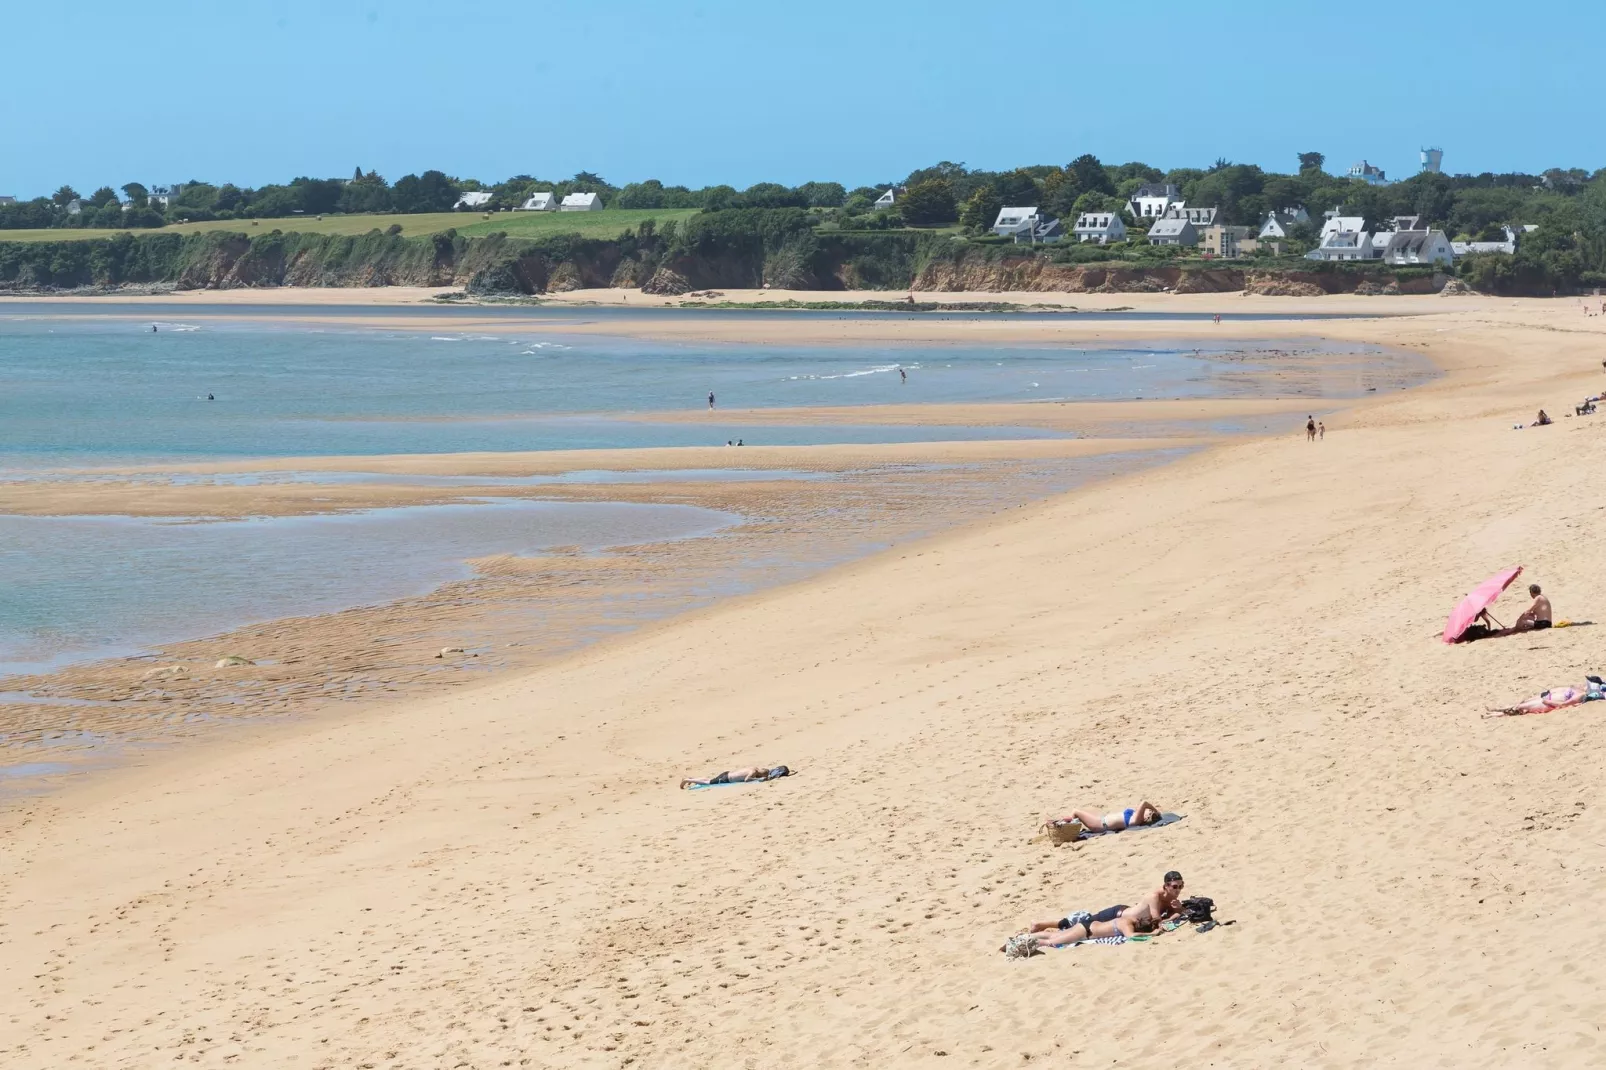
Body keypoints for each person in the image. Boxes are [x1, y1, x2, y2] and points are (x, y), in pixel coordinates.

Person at [1054, 801, 1161, 834]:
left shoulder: (1136, 820)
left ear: (1147, 818)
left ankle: (1065, 831)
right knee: (1077, 813)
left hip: (1100, 825)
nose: (1148, 811)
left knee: (1075, 812)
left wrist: (1156, 811)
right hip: (1101, 820)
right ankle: (1063, 826)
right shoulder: (1135, 814)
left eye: (1149, 813)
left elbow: (1144, 803)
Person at [680, 764, 791, 789]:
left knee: (709, 779)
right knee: (708, 782)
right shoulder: (753, 773)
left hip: (727, 774)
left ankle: (692, 779)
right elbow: (747, 780)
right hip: (726, 778)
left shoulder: (754, 768)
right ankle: (687, 780)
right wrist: (760, 779)